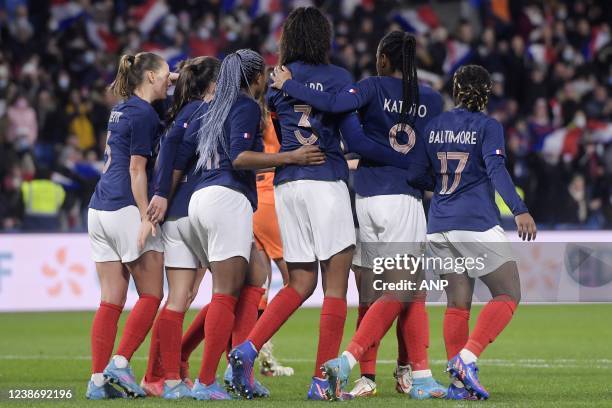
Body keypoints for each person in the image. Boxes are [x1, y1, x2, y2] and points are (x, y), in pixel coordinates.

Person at [271, 30, 446, 400]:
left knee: (372, 287)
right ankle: (413, 373)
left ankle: (369, 376)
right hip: (404, 198)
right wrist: (410, 163)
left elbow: (343, 117)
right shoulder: (430, 99)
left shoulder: (370, 87)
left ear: (383, 59)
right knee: (408, 289)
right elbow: (429, 152)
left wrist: (292, 86)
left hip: (365, 196)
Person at [186, 48, 325, 400]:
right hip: (226, 198)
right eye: (264, 74)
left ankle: (239, 370)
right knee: (225, 292)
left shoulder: (215, 106)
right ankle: (206, 382)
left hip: (202, 197)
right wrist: (288, 157)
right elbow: (240, 157)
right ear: (257, 77)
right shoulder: (246, 105)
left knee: (254, 277)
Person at [424, 65, 536, 400]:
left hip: (439, 224)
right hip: (474, 221)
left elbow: (418, 174)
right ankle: (466, 360)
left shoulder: (433, 126)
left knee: (457, 303)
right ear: (487, 93)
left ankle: (458, 388)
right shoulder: (488, 126)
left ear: (454, 91)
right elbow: (496, 168)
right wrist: (519, 209)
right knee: (508, 292)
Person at [86, 52, 170, 399]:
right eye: (166, 74)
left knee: (111, 300)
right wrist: (143, 215)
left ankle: (97, 382)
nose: (170, 79)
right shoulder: (144, 115)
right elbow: (138, 169)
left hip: (98, 207)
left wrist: (172, 76)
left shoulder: (120, 109)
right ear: (150, 76)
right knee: (152, 294)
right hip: (125, 206)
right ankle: (120, 363)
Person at [140, 56, 220, 399]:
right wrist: (160, 193)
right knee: (186, 297)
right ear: (214, 85)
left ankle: (167, 374)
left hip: (181, 211)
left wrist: (184, 75)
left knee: (182, 297)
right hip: (190, 211)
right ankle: (161, 374)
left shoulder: (181, 112)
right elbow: (173, 152)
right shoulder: (202, 113)